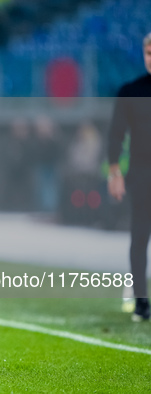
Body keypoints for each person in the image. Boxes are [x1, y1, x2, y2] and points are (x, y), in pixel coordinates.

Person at [107, 32, 151, 322]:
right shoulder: (131, 91)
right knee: (140, 238)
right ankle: (141, 302)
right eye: (148, 52)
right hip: (142, 174)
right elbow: (116, 134)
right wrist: (115, 172)